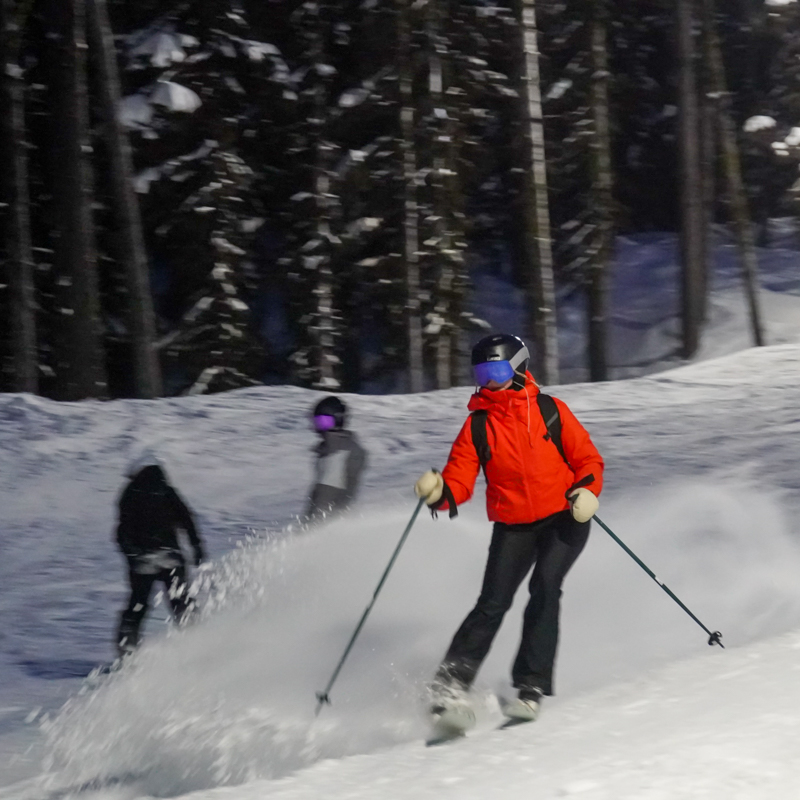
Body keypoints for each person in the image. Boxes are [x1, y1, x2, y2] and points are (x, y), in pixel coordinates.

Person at [414, 333, 604, 725]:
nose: (491, 380)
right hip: (514, 524)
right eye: (483, 372)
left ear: (518, 366)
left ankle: (530, 687)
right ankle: (447, 688)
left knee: (545, 587)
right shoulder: (478, 426)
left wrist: (586, 491)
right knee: (492, 603)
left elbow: (587, 459)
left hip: (565, 517)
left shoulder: (549, 409)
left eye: (498, 370)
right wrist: (440, 494)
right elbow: (459, 480)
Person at [115, 453, 205, 657]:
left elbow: (122, 531)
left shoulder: (129, 493)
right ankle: (199, 643)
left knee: (137, 604)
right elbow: (186, 518)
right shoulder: (167, 491)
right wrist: (196, 545)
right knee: (180, 600)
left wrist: (133, 554)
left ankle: (127, 650)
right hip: (170, 556)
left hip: (143, 560)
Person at [305, 396, 367, 522]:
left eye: (324, 421)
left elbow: (325, 496)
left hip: (326, 524)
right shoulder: (336, 449)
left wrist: (309, 530)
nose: (320, 428)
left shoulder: (338, 453)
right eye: (317, 422)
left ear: (337, 420)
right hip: (332, 521)